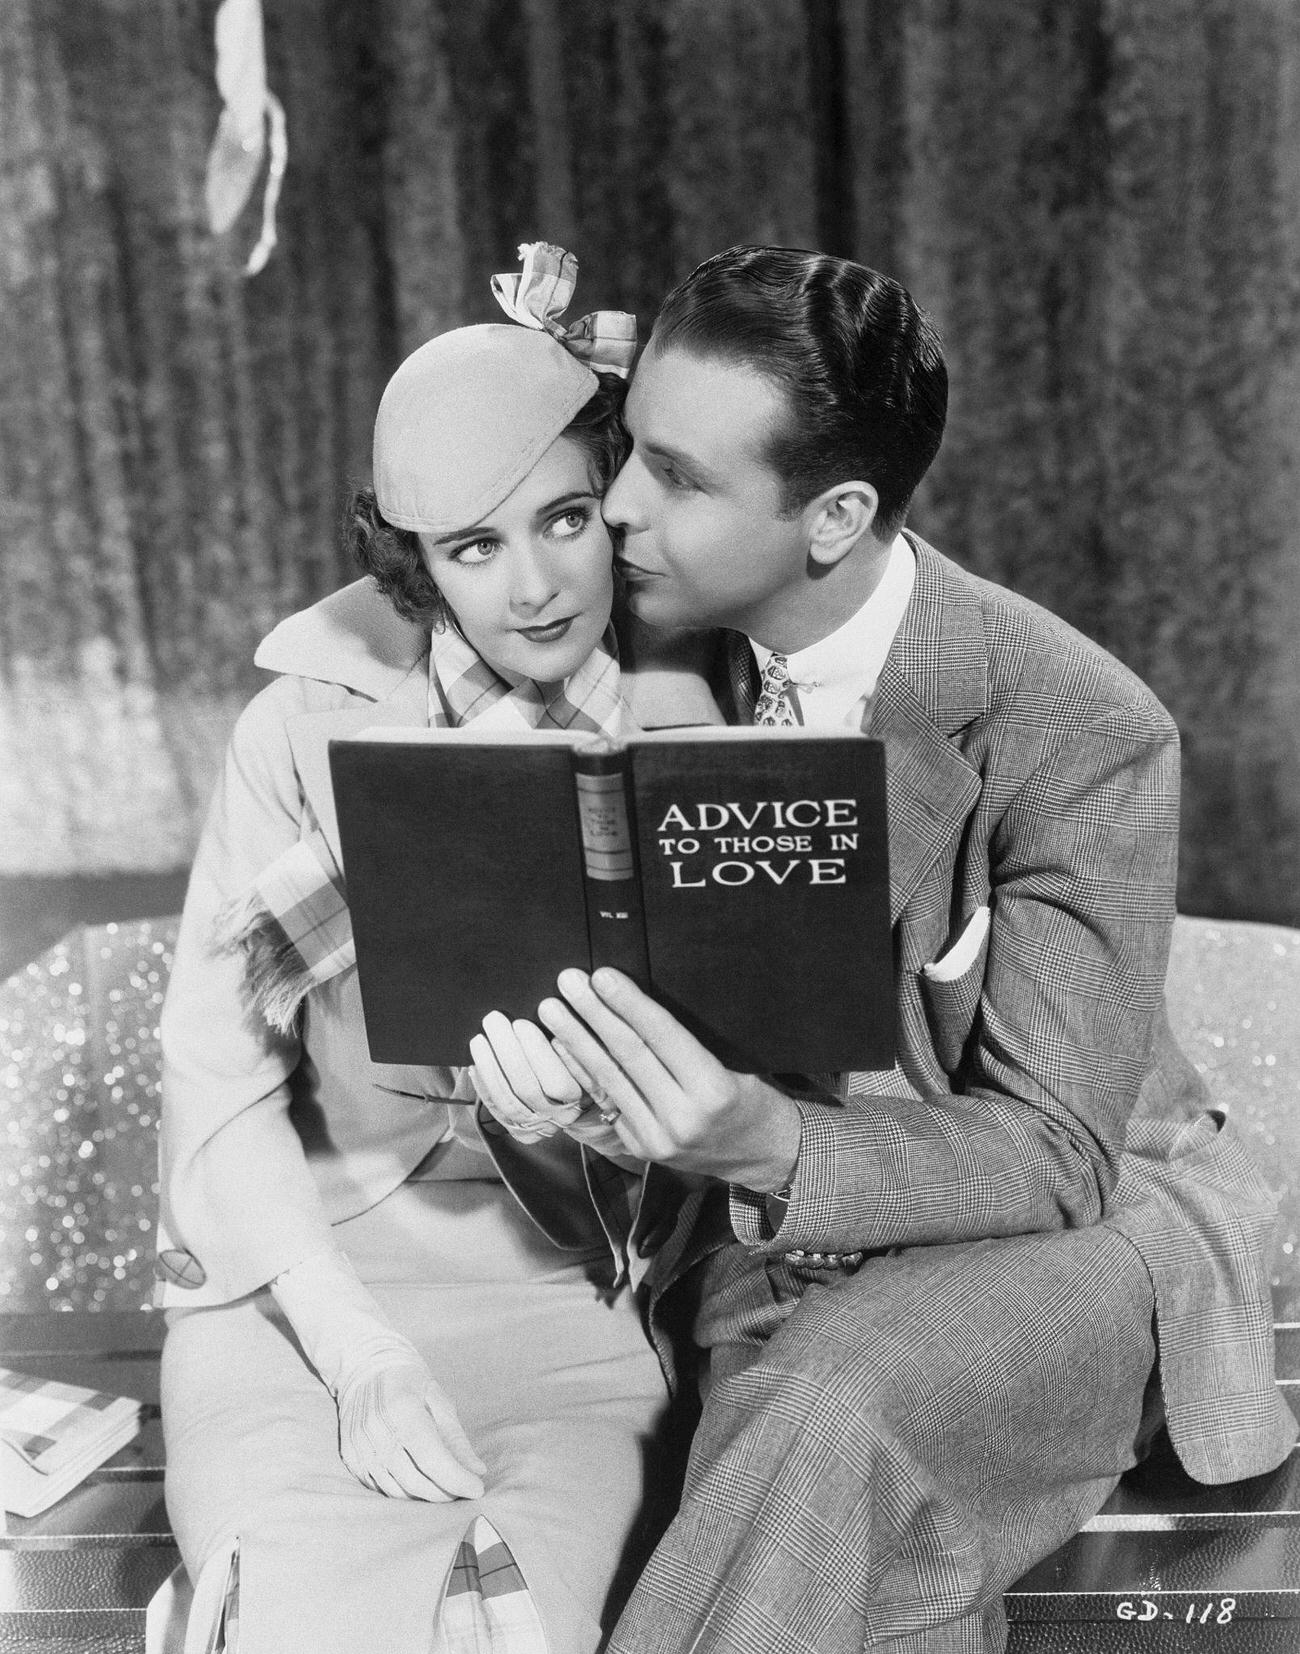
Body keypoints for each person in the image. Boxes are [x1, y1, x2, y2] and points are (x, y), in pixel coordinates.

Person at [472, 245, 1298, 1654]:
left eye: (674, 477)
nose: (612, 508)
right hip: (773, 1246)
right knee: (855, 1547)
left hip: (1086, 1224)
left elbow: (1055, 1150)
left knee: (817, 1407)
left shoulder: (1079, 725)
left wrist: (767, 1147)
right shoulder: (642, 670)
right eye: (630, 453)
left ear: (836, 514)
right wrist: (575, 1108)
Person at [155, 245, 714, 1654]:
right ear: (414, 562)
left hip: (581, 1298)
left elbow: (758, 1083)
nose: (532, 585)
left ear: (617, 501)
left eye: (566, 518)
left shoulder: (704, 711)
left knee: (515, 1625)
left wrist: (586, 1123)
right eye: (474, 547)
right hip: (306, 1289)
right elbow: (214, 1081)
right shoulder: (299, 725)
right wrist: (356, 1352)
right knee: (289, 1619)